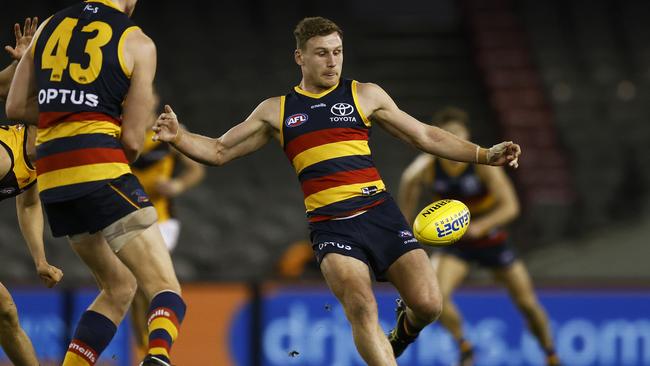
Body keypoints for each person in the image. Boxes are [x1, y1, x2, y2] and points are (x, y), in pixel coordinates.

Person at [153, 17, 521, 365]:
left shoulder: (365, 95)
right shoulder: (276, 111)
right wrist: (179, 137)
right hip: (332, 226)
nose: (332, 62)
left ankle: (403, 332)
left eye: (337, 52)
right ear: (300, 57)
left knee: (428, 305)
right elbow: (218, 151)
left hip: (381, 214)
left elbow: (424, 135)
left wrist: (484, 154)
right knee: (361, 306)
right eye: (322, 53)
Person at [6, 1, 186, 365]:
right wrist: (100, 117)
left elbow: (14, 107)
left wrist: (65, 109)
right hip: (100, 168)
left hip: (53, 178)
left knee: (119, 287)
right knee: (166, 289)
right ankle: (158, 358)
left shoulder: (49, 27)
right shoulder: (137, 41)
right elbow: (134, 142)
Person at [398, 107, 560, 366]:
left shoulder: (483, 166)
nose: (452, 139)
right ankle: (465, 347)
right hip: (456, 244)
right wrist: (404, 234)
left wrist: (480, 227)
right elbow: (407, 189)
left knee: (527, 304)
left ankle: (551, 353)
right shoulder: (426, 167)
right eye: (446, 135)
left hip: (491, 240)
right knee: (435, 298)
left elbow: (511, 206)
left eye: (458, 134)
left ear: (466, 136)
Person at [0, 17, 63, 366]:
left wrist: (40, 260)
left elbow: (29, 205)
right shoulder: (4, 153)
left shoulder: (36, 163)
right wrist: (20, 69)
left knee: (6, 315)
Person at [130, 129, 205, 353]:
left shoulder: (163, 133)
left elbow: (196, 169)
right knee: (134, 287)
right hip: (130, 217)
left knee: (146, 280)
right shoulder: (121, 132)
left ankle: (152, 349)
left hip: (162, 221)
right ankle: (146, 348)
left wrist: (176, 186)